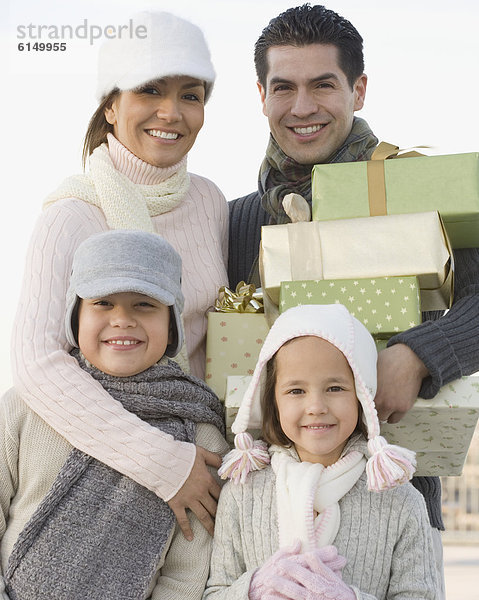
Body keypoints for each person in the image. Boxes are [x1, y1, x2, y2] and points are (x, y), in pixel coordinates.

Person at [227, 4, 479, 595]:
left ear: (358, 89)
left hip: (396, 507)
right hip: (264, 518)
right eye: (284, 87)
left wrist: (419, 355)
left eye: (324, 85)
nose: (302, 107)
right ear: (261, 94)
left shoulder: (416, 191)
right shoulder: (239, 220)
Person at [11, 10, 229, 540]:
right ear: (111, 105)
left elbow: (214, 336)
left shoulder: (210, 202)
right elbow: (35, 361)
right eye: (149, 89)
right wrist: (161, 463)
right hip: (101, 465)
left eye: (190, 94)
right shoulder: (74, 213)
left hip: (199, 458)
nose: (170, 112)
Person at [1, 230, 229, 600]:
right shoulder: (30, 404)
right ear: (75, 317)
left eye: (144, 304)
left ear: (171, 324)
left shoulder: (199, 432)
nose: (122, 319)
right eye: (103, 303)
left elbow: (186, 571)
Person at [204, 304, 438, 599]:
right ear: (272, 400)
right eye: (296, 391)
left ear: (362, 397)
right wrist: (254, 588)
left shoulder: (401, 500)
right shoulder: (242, 494)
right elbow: (215, 592)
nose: (316, 407)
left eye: (335, 388)